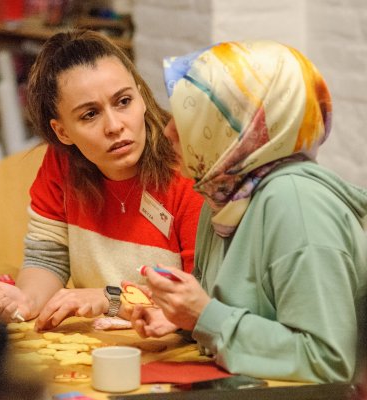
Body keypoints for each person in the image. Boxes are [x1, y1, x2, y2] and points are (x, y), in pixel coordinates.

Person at [130, 40, 367, 383]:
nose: (168, 132)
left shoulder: (297, 203)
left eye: (190, 116)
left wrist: (204, 317)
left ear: (239, 127)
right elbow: (234, 312)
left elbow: (327, 360)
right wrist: (182, 319)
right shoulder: (224, 194)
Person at [0, 29, 203, 331]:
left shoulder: (188, 169)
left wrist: (110, 299)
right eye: (90, 114)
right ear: (62, 132)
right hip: (101, 341)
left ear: (142, 97)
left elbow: (202, 301)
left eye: (123, 101)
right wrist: (26, 299)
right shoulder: (62, 161)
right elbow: (48, 258)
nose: (115, 126)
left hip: (173, 348)